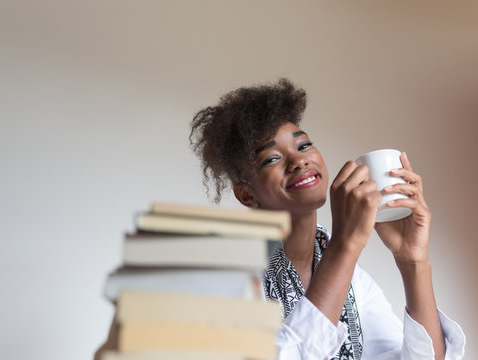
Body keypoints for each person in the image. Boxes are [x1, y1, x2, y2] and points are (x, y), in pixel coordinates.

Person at [188, 78, 465, 359]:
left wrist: (412, 260)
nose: (299, 161)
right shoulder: (227, 279)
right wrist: (346, 243)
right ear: (247, 195)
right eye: (271, 159)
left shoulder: (356, 282)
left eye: (304, 145)